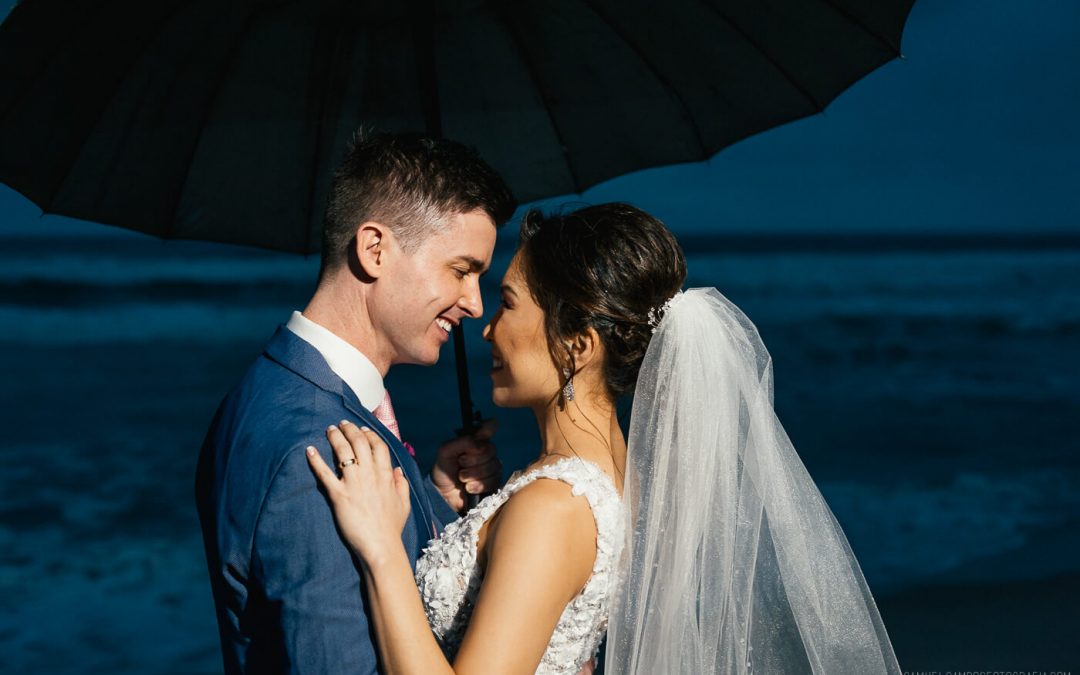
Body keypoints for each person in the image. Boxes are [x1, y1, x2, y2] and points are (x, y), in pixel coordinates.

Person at [307, 203, 903, 674]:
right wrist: (466, 511)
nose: (486, 327)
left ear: (576, 345)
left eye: (509, 304)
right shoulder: (610, 477)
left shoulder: (553, 508)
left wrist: (382, 551)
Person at [195, 131, 516, 674]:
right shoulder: (316, 451)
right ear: (374, 250)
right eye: (461, 271)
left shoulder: (280, 387)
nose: (474, 304)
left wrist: (428, 500)